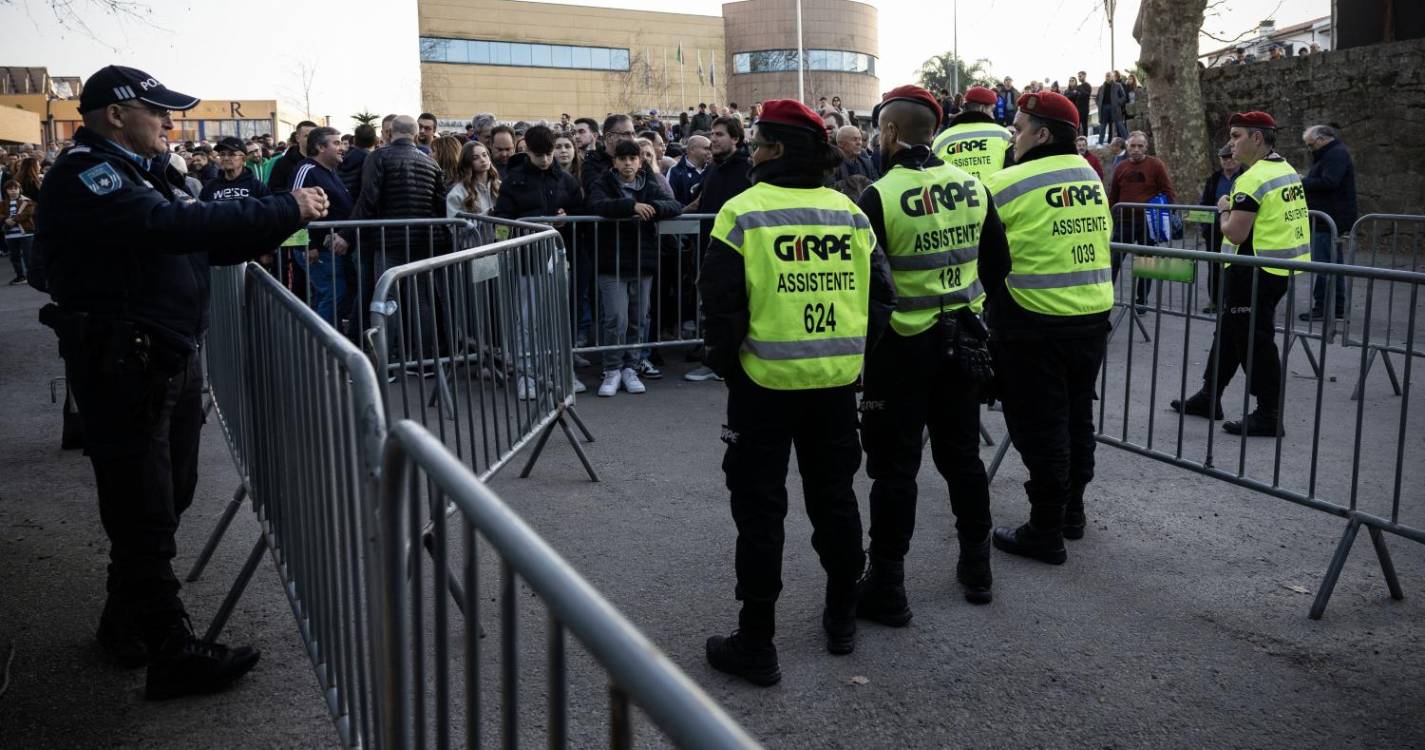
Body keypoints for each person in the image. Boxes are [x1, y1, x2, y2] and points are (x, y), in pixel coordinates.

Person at [34, 64, 329, 700]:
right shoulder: (91, 173)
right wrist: (284, 203)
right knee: (143, 504)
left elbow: (202, 245)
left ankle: (123, 624)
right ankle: (172, 649)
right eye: (157, 111)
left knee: (169, 494)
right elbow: (171, 230)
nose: (171, 123)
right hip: (124, 360)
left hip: (161, 354)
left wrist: (280, 219)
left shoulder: (145, 172)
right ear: (116, 114)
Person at [699, 98, 894, 686]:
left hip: (762, 390)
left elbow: (720, 307)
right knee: (835, 501)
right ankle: (840, 618)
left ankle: (757, 642)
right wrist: (851, 355)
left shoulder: (742, 211)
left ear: (776, 151)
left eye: (758, 142)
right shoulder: (850, 213)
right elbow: (881, 299)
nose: (751, 150)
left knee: (760, 513)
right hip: (835, 387)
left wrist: (731, 369)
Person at [855, 85, 1006, 622]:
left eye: (879, 130)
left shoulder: (878, 195)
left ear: (891, 132)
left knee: (894, 469)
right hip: (963, 342)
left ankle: (888, 586)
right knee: (962, 458)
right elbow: (998, 264)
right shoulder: (971, 186)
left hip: (902, 351)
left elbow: (865, 286)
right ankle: (977, 567)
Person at [981, 91, 1113, 563]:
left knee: (1042, 429)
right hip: (1092, 317)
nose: (1012, 138)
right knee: (1077, 420)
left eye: (1017, 129)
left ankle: (1044, 529)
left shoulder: (1004, 184)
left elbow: (987, 259)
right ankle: (1071, 513)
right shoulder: (1090, 175)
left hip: (1032, 321)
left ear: (1041, 134)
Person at [1171, 111, 1311, 437]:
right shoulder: (1285, 169)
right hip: (1272, 269)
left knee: (1254, 341)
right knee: (1230, 332)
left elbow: (1234, 233)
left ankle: (1268, 414)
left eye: (1236, 136)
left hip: (1254, 271)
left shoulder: (1252, 179)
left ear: (1257, 138)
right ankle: (1209, 397)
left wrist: (1223, 210)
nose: (1230, 143)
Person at [585, 138, 681, 397]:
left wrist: (653, 208)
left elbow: (674, 205)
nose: (628, 164)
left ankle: (631, 367)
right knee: (616, 318)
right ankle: (612, 369)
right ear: (614, 162)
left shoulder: (649, 183)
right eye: (622, 159)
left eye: (632, 159)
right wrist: (631, 207)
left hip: (642, 261)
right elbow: (597, 205)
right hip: (611, 262)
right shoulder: (602, 183)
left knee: (639, 319)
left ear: (640, 161)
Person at [684, 117, 754, 383]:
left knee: (729, 305)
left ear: (735, 138)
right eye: (712, 134)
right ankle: (713, 357)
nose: (713, 139)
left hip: (736, 253)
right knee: (710, 304)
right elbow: (701, 202)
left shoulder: (747, 170)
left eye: (719, 134)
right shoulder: (713, 168)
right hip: (708, 247)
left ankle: (723, 361)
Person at [290, 127, 356, 327]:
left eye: (342, 143)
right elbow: (294, 208)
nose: (342, 148)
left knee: (332, 294)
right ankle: (323, 347)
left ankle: (321, 343)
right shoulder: (306, 170)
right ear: (319, 147)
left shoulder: (330, 172)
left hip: (329, 250)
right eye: (336, 143)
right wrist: (308, 245)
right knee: (333, 293)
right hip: (315, 250)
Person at [1108, 131, 1175, 307]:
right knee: (1113, 261)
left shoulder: (1156, 165)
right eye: (1132, 146)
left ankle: (1142, 301)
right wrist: (1111, 215)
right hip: (1124, 221)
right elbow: (1113, 195)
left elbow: (1168, 191)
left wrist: (1166, 217)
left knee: (1146, 264)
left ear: (1146, 147)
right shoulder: (1120, 167)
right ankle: (1106, 297)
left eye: (1140, 146)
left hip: (1148, 223)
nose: (1136, 149)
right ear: (1127, 147)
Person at [1299, 124, 1356, 320]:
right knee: (1333, 263)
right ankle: (1336, 306)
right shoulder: (1332, 154)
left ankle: (1324, 306)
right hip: (1329, 216)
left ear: (1323, 139)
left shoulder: (1335, 155)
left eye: (1311, 145)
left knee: (1325, 264)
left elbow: (1330, 182)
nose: (1309, 149)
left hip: (1330, 218)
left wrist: (1302, 181)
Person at [931, 86, 1015, 182]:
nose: (993, 115)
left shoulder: (942, 139)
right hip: (994, 195)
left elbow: (933, 176)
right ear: (982, 108)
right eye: (992, 110)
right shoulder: (1004, 135)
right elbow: (1012, 174)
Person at [1198, 143, 1242, 311]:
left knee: (1237, 267)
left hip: (1238, 228)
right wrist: (1205, 228)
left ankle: (1234, 302)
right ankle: (1215, 301)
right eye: (1224, 158)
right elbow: (1204, 203)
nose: (1227, 161)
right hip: (1215, 230)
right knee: (1215, 267)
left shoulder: (1246, 176)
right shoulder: (1214, 178)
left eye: (1230, 157)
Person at [446, 140, 500, 217]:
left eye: (484, 155)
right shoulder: (457, 193)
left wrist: (501, 229)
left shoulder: (500, 186)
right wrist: (487, 215)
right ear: (467, 162)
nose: (482, 160)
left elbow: (505, 223)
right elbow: (456, 225)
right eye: (475, 158)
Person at [268, 120, 317, 191]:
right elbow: (275, 190)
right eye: (306, 136)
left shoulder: (324, 160)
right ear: (297, 138)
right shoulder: (283, 163)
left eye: (314, 136)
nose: (311, 139)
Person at [3, 178, 36, 284]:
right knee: (14, 257)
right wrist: (5, 219)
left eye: (15, 188)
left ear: (19, 189)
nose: (13, 190)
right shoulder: (3, 204)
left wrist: (13, 220)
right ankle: (20, 276)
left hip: (26, 233)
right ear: (6, 191)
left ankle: (32, 276)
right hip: (11, 235)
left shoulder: (26, 201)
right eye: (10, 189)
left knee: (28, 256)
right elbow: (1, 215)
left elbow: (27, 213)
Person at [668, 134, 710, 206]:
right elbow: (670, 200)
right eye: (706, 148)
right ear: (692, 149)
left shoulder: (712, 170)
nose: (710, 152)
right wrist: (686, 209)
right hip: (684, 217)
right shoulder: (675, 171)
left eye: (710, 149)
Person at [339, 124, 377, 201]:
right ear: (375, 140)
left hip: (343, 202)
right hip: (359, 205)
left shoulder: (342, 158)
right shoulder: (371, 159)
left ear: (354, 139)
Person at [1095, 73, 1125, 144]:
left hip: (1114, 107)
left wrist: (1118, 103)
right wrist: (1099, 104)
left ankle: (1127, 141)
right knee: (1102, 126)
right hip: (1104, 108)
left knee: (1120, 124)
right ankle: (1100, 144)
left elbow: (1124, 97)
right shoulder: (1101, 87)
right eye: (1106, 76)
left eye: (1109, 76)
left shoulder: (1117, 85)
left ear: (1112, 77)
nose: (1107, 77)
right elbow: (1097, 98)